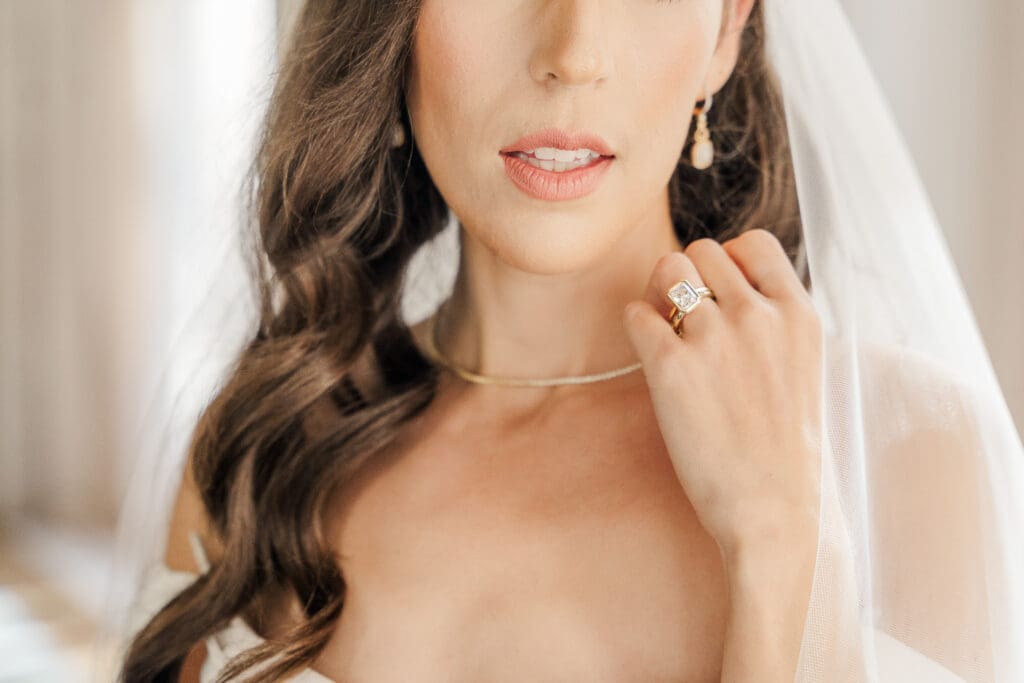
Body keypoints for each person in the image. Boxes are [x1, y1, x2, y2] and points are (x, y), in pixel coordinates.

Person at [117, 0, 1024, 681]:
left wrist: (784, 543)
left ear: (724, 32)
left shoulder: (910, 454)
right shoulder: (262, 450)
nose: (572, 53)